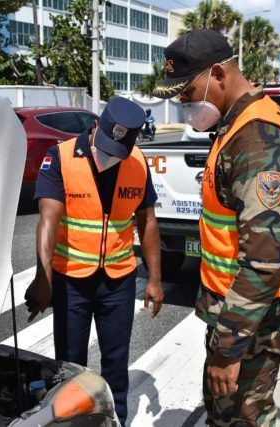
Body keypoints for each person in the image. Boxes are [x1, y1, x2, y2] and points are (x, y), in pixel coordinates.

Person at [153, 29, 280, 426]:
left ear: (219, 75)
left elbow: (263, 261)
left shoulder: (259, 141)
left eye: (188, 92)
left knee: (241, 415)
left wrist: (228, 349)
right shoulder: (237, 124)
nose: (183, 103)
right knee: (227, 411)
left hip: (259, 316)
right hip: (242, 312)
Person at [24, 96, 164, 426]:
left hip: (118, 281)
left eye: (117, 152)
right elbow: (48, 219)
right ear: (96, 126)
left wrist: (155, 278)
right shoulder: (60, 157)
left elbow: (148, 222)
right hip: (71, 279)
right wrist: (44, 278)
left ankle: (116, 422)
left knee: (115, 365)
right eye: (104, 147)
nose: (108, 158)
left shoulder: (138, 163)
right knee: (70, 367)